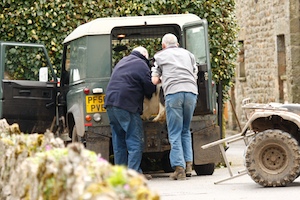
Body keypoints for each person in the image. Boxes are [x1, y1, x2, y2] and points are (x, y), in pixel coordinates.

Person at [151, 33, 198, 180]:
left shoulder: (160, 56)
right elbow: (195, 73)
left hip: (174, 93)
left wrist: (163, 79)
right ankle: (188, 165)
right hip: (191, 92)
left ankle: (179, 169)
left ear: (164, 45)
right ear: (177, 44)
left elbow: (154, 80)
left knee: (175, 132)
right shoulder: (189, 55)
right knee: (185, 129)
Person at [104, 46, 156, 179]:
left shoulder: (122, 61)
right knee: (135, 140)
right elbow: (149, 87)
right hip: (127, 105)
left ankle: (120, 175)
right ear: (145, 55)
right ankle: (134, 174)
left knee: (119, 141)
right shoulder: (141, 64)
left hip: (110, 104)